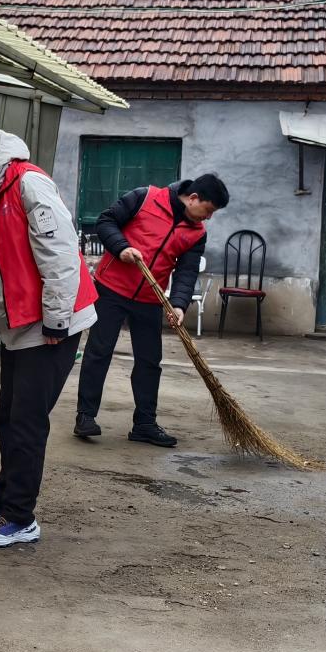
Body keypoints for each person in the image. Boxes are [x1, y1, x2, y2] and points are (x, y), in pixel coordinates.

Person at [0, 126, 98, 548]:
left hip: (48, 325)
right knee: (9, 417)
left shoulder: (28, 185)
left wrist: (56, 320)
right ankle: (1, 499)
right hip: (18, 323)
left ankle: (20, 517)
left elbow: (60, 256)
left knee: (27, 422)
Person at [75, 175, 230, 448]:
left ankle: (144, 424)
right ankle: (85, 416)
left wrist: (179, 305)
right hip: (111, 288)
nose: (208, 218)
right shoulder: (145, 198)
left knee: (149, 361)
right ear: (193, 198)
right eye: (208, 210)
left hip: (150, 297)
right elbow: (106, 221)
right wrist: (122, 248)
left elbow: (186, 271)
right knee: (99, 352)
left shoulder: (197, 233)